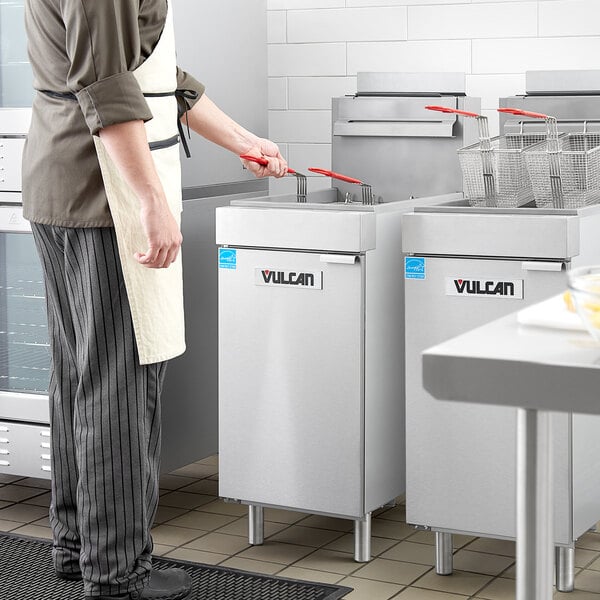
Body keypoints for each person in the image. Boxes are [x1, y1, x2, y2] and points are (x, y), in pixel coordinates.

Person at [22, 2, 287, 599]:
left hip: (64, 183)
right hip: (102, 197)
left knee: (80, 376)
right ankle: (118, 574)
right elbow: (107, 86)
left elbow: (161, 76)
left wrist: (244, 140)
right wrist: (151, 201)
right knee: (117, 379)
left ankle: (80, 546)